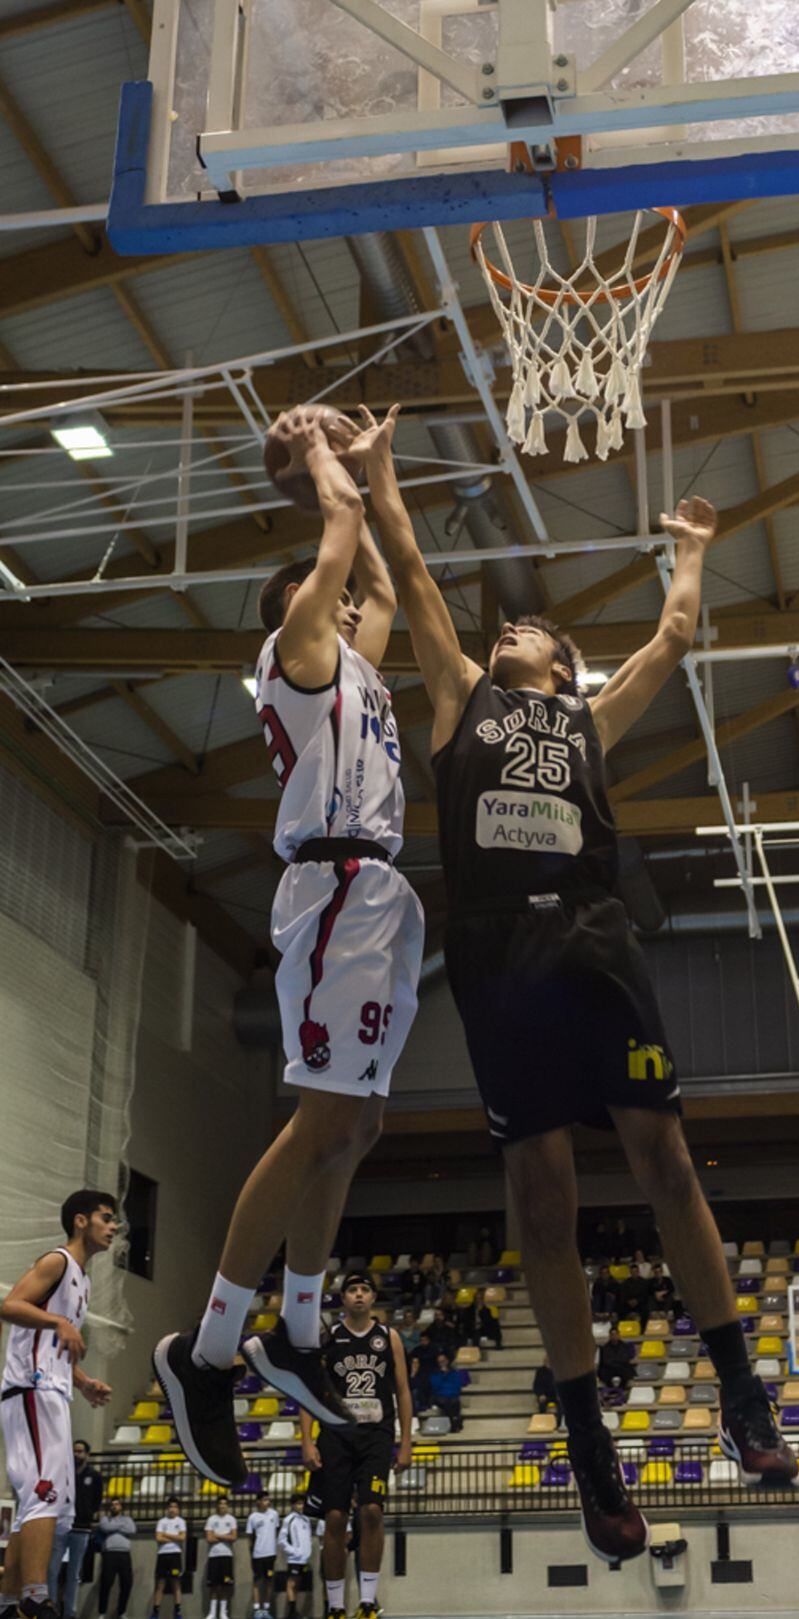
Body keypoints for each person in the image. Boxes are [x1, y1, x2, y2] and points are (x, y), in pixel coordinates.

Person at [361, 409, 797, 1562]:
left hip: (597, 941)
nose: (509, 627)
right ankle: (596, 1463)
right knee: (544, 1201)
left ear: (560, 666)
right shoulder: (461, 696)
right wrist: (378, 471)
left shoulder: (589, 718)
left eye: (532, 629)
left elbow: (673, 636)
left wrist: (692, 548)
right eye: (505, 625)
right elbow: (408, 565)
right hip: (500, 954)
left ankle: (743, 1392)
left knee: (663, 1158)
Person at [154, 405, 424, 1488]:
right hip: (334, 881)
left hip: (383, 888)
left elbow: (390, 588)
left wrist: (382, 464)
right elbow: (346, 536)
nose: (356, 604)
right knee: (320, 1113)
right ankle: (208, 1350)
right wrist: (323, 457)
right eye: (335, 593)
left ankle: (296, 1329)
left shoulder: (355, 666)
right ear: (303, 613)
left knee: (360, 1120)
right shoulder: (297, 649)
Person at [0, 1191, 116, 1619]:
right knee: (44, 1495)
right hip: (30, 1390)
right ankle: (35, 1594)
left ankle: (9, 1603)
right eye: (106, 1218)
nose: (114, 1226)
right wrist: (59, 1320)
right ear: (81, 1221)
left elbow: (52, 1343)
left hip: (54, 1391)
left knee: (45, 1503)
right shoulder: (57, 1261)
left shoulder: (82, 1280)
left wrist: (82, 1381)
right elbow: (9, 1306)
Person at [301, 1273, 412, 1619]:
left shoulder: (388, 1337)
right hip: (335, 1434)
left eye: (365, 1289)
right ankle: (335, 1606)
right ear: (343, 1299)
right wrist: (306, 1440)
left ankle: (367, 1602)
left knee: (372, 1511)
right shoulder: (329, 1336)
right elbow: (309, 1388)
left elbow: (403, 1391)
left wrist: (407, 1441)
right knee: (334, 1517)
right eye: (353, 1289)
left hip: (376, 1434)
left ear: (373, 1298)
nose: (359, 1295)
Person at [49, 1439, 102, 1618]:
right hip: (62, 1527)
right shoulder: (64, 1475)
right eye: (74, 1451)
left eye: (80, 1451)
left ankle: (70, 1612)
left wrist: (86, 1514)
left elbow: (97, 1501)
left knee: (74, 1573)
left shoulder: (94, 1476)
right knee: (52, 1570)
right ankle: (51, 1608)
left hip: (82, 1529)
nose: (76, 1454)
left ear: (87, 1455)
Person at [94, 1501, 135, 1619]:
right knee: (106, 1583)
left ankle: (121, 1612)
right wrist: (121, 1526)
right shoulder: (105, 1519)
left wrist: (114, 1527)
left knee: (127, 1583)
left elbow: (132, 1529)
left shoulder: (127, 1519)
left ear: (121, 1507)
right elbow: (105, 1527)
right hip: (109, 1554)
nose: (114, 1506)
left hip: (124, 1554)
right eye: (112, 1504)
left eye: (117, 1504)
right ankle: (102, 1613)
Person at [244, 1493, 278, 1619]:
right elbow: (249, 1537)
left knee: (269, 1581)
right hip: (258, 1554)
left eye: (268, 1499)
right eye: (264, 1500)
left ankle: (266, 1609)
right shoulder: (253, 1517)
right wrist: (252, 1552)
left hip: (271, 1554)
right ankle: (257, 1609)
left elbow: (276, 1531)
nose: (267, 1502)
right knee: (258, 1581)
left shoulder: (274, 1514)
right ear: (258, 1502)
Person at [150, 1499, 185, 1619]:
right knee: (160, 1584)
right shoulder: (161, 1522)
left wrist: (166, 1534)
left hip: (175, 1554)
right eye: (170, 1506)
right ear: (167, 1508)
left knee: (176, 1583)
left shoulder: (181, 1521)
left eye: (175, 1507)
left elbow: (182, 1537)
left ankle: (178, 1611)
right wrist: (174, 1537)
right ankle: (155, 1612)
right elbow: (158, 1538)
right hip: (163, 1554)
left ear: (178, 1509)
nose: (172, 1509)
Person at [276, 1499, 312, 1619]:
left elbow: (308, 1538)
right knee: (291, 1583)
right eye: (298, 1503)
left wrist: (307, 1552)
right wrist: (294, 1551)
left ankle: (295, 1610)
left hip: (304, 1559)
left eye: (302, 1503)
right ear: (293, 1505)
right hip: (294, 1559)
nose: (301, 1506)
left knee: (298, 1584)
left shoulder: (306, 1519)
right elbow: (281, 1540)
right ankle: (291, 1612)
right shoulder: (289, 1519)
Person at [202, 1497, 237, 1619]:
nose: (222, 1506)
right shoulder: (211, 1519)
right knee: (213, 1585)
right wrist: (225, 1536)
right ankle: (212, 1612)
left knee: (225, 1585)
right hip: (214, 1555)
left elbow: (233, 1537)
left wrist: (217, 1535)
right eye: (220, 1504)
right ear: (217, 1506)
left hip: (227, 1555)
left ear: (227, 1506)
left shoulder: (231, 1519)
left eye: (225, 1504)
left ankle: (223, 1612)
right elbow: (209, 1538)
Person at [428, 1353, 466, 1433]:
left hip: (452, 1395)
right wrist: (443, 1375)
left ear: (447, 1361)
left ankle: (454, 1422)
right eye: (440, 1362)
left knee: (455, 1401)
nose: (442, 1363)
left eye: (443, 1361)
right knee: (447, 1401)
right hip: (439, 1396)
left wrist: (451, 1393)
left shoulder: (454, 1373)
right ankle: (455, 1422)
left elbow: (457, 1386)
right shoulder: (434, 1374)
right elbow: (435, 1387)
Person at [597, 1328, 636, 1395]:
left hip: (622, 1367)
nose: (614, 1336)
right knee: (604, 1373)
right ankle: (611, 1391)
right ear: (609, 1336)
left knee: (626, 1372)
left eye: (615, 1334)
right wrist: (616, 1362)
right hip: (610, 1368)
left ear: (618, 1335)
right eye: (612, 1334)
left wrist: (615, 1361)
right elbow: (606, 1361)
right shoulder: (605, 1348)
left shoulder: (625, 1346)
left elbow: (625, 1359)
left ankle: (621, 1390)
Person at [617, 1264, 651, 1332]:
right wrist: (628, 1301)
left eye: (635, 1271)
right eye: (632, 1272)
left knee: (645, 1311)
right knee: (620, 1309)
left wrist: (637, 1300)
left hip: (640, 1303)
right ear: (630, 1272)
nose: (634, 1273)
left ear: (638, 1272)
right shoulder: (625, 1283)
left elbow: (645, 1295)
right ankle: (623, 1329)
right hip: (628, 1303)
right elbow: (623, 1294)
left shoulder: (644, 1282)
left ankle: (643, 1330)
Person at [532, 1356, 562, 1425]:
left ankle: (560, 1423)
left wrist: (560, 1394)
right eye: (547, 1361)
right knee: (542, 1405)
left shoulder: (559, 1370)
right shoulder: (540, 1371)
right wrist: (540, 1394)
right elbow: (536, 1385)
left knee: (562, 1405)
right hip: (545, 1395)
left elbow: (562, 1384)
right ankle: (543, 1423)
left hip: (557, 1395)